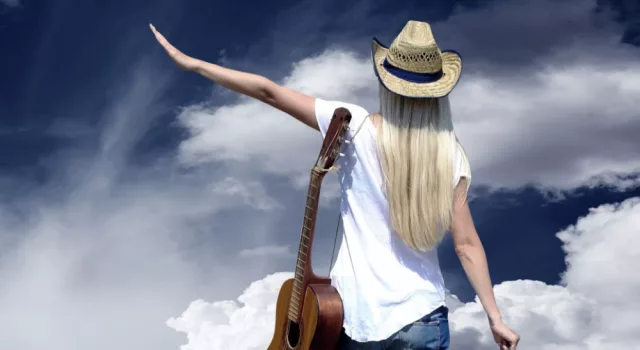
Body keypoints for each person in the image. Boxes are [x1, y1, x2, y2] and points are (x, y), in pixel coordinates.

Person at [150, 20, 520, 350]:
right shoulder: (449, 154)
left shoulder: (353, 126)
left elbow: (268, 91)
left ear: (385, 82)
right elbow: (467, 245)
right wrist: (494, 317)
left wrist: (192, 63)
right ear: (439, 92)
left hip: (355, 316)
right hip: (422, 317)